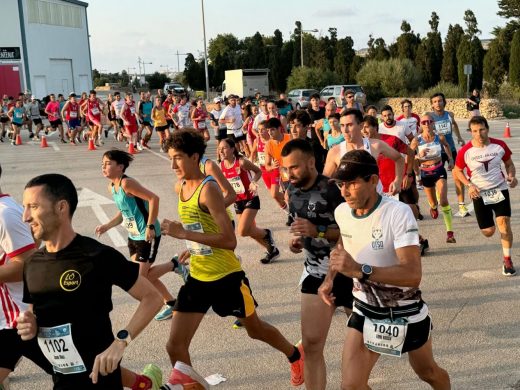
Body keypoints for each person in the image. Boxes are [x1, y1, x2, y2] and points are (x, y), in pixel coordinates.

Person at [159, 130, 304, 388]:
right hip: (198, 277)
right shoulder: (179, 186)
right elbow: (201, 226)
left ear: (194, 157)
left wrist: (184, 232)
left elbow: (229, 240)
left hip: (226, 277)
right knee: (174, 346)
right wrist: (191, 245)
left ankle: (295, 354)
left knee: (255, 330)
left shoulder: (208, 190)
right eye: (170, 158)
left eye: (178, 158)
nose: (172, 165)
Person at [18, 173, 164, 389]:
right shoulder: (32, 264)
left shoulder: (97, 255)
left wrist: (121, 341)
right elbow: (33, 314)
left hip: (101, 379)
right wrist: (29, 326)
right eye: (25, 207)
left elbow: (153, 297)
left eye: (34, 206)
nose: (25, 217)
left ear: (61, 207)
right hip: (61, 380)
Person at [322, 149, 451, 389]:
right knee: (351, 386)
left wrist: (361, 270)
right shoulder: (342, 212)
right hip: (364, 310)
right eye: (341, 184)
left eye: (351, 184)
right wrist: (330, 277)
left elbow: (413, 275)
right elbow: (344, 242)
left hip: (405, 311)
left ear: (372, 180)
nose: (344, 192)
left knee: (428, 372)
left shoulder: (397, 213)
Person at [281, 139, 352, 390]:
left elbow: (350, 232)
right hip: (314, 269)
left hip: (348, 270)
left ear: (311, 162)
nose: (289, 174)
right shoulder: (293, 192)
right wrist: (298, 241)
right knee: (311, 345)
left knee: (364, 343)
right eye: (286, 169)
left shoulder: (334, 190)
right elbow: (300, 229)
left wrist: (318, 231)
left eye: (294, 168)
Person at [95, 149, 182, 320]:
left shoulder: (127, 184)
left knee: (141, 277)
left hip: (147, 236)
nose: (103, 166)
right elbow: (124, 212)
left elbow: (154, 199)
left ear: (120, 167)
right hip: (133, 236)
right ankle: (171, 302)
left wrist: (150, 226)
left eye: (108, 163)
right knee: (144, 275)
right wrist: (107, 226)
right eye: (102, 163)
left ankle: (174, 265)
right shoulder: (112, 186)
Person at [0, 164, 54, 389]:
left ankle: (144, 383)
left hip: (20, 317)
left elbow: (27, 264)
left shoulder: (4, 215)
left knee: (82, 372)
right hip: (6, 318)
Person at [453, 116, 518, 276]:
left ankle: (507, 260)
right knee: (488, 231)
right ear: (470, 132)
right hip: (479, 193)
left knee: (504, 223)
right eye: (474, 131)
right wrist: (469, 185)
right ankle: (491, 225)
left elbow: (509, 164)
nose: (479, 134)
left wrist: (511, 176)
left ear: (487, 129)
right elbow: (457, 170)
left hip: (499, 189)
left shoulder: (499, 145)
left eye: (481, 129)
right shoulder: (466, 151)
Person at [218, 138, 279, 264]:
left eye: (224, 148)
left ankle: (266, 233)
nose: (221, 151)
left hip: (251, 198)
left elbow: (258, 171)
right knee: (249, 231)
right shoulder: (222, 166)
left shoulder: (241, 162)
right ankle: (271, 250)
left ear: (232, 149)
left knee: (242, 230)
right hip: (238, 201)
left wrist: (253, 182)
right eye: (219, 149)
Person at [323, 109, 404, 196]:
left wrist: (398, 181)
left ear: (361, 125)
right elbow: (325, 181)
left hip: (376, 200)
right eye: (342, 125)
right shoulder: (335, 151)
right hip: (350, 202)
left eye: (349, 125)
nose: (345, 130)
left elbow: (399, 158)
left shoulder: (376, 145)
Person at [411, 114, 456, 244]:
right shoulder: (417, 140)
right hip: (425, 172)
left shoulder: (439, 136)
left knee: (443, 200)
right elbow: (410, 156)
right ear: (421, 125)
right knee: (434, 202)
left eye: (429, 121)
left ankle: (450, 233)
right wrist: (418, 158)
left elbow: (447, 145)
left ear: (433, 123)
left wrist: (450, 159)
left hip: (439, 169)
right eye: (424, 122)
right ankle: (433, 206)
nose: (427, 124)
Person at [429, 92, 468, 217]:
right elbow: (422, 130)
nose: (438, 103)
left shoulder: (450, 114)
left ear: (444, 102)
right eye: (435, 101)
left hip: (451, 149)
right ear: (432, 104)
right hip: (436, 152)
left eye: (440, 100)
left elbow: (455, 124)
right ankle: (438, 194)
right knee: (438, 179)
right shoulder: (429, 116)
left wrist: (460, 137)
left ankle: (462, 206)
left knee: (458, 177)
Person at [264, 117, 292, 212]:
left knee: (292, 196)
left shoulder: (290, 138)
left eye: (272, 129)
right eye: (268, 130)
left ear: (279, 129)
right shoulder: (268, 145)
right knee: (284, 196)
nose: (270, 133)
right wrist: (272, 166)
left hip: (295, 171)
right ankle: (290, 213)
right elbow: (267, 166)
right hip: (283, 174)